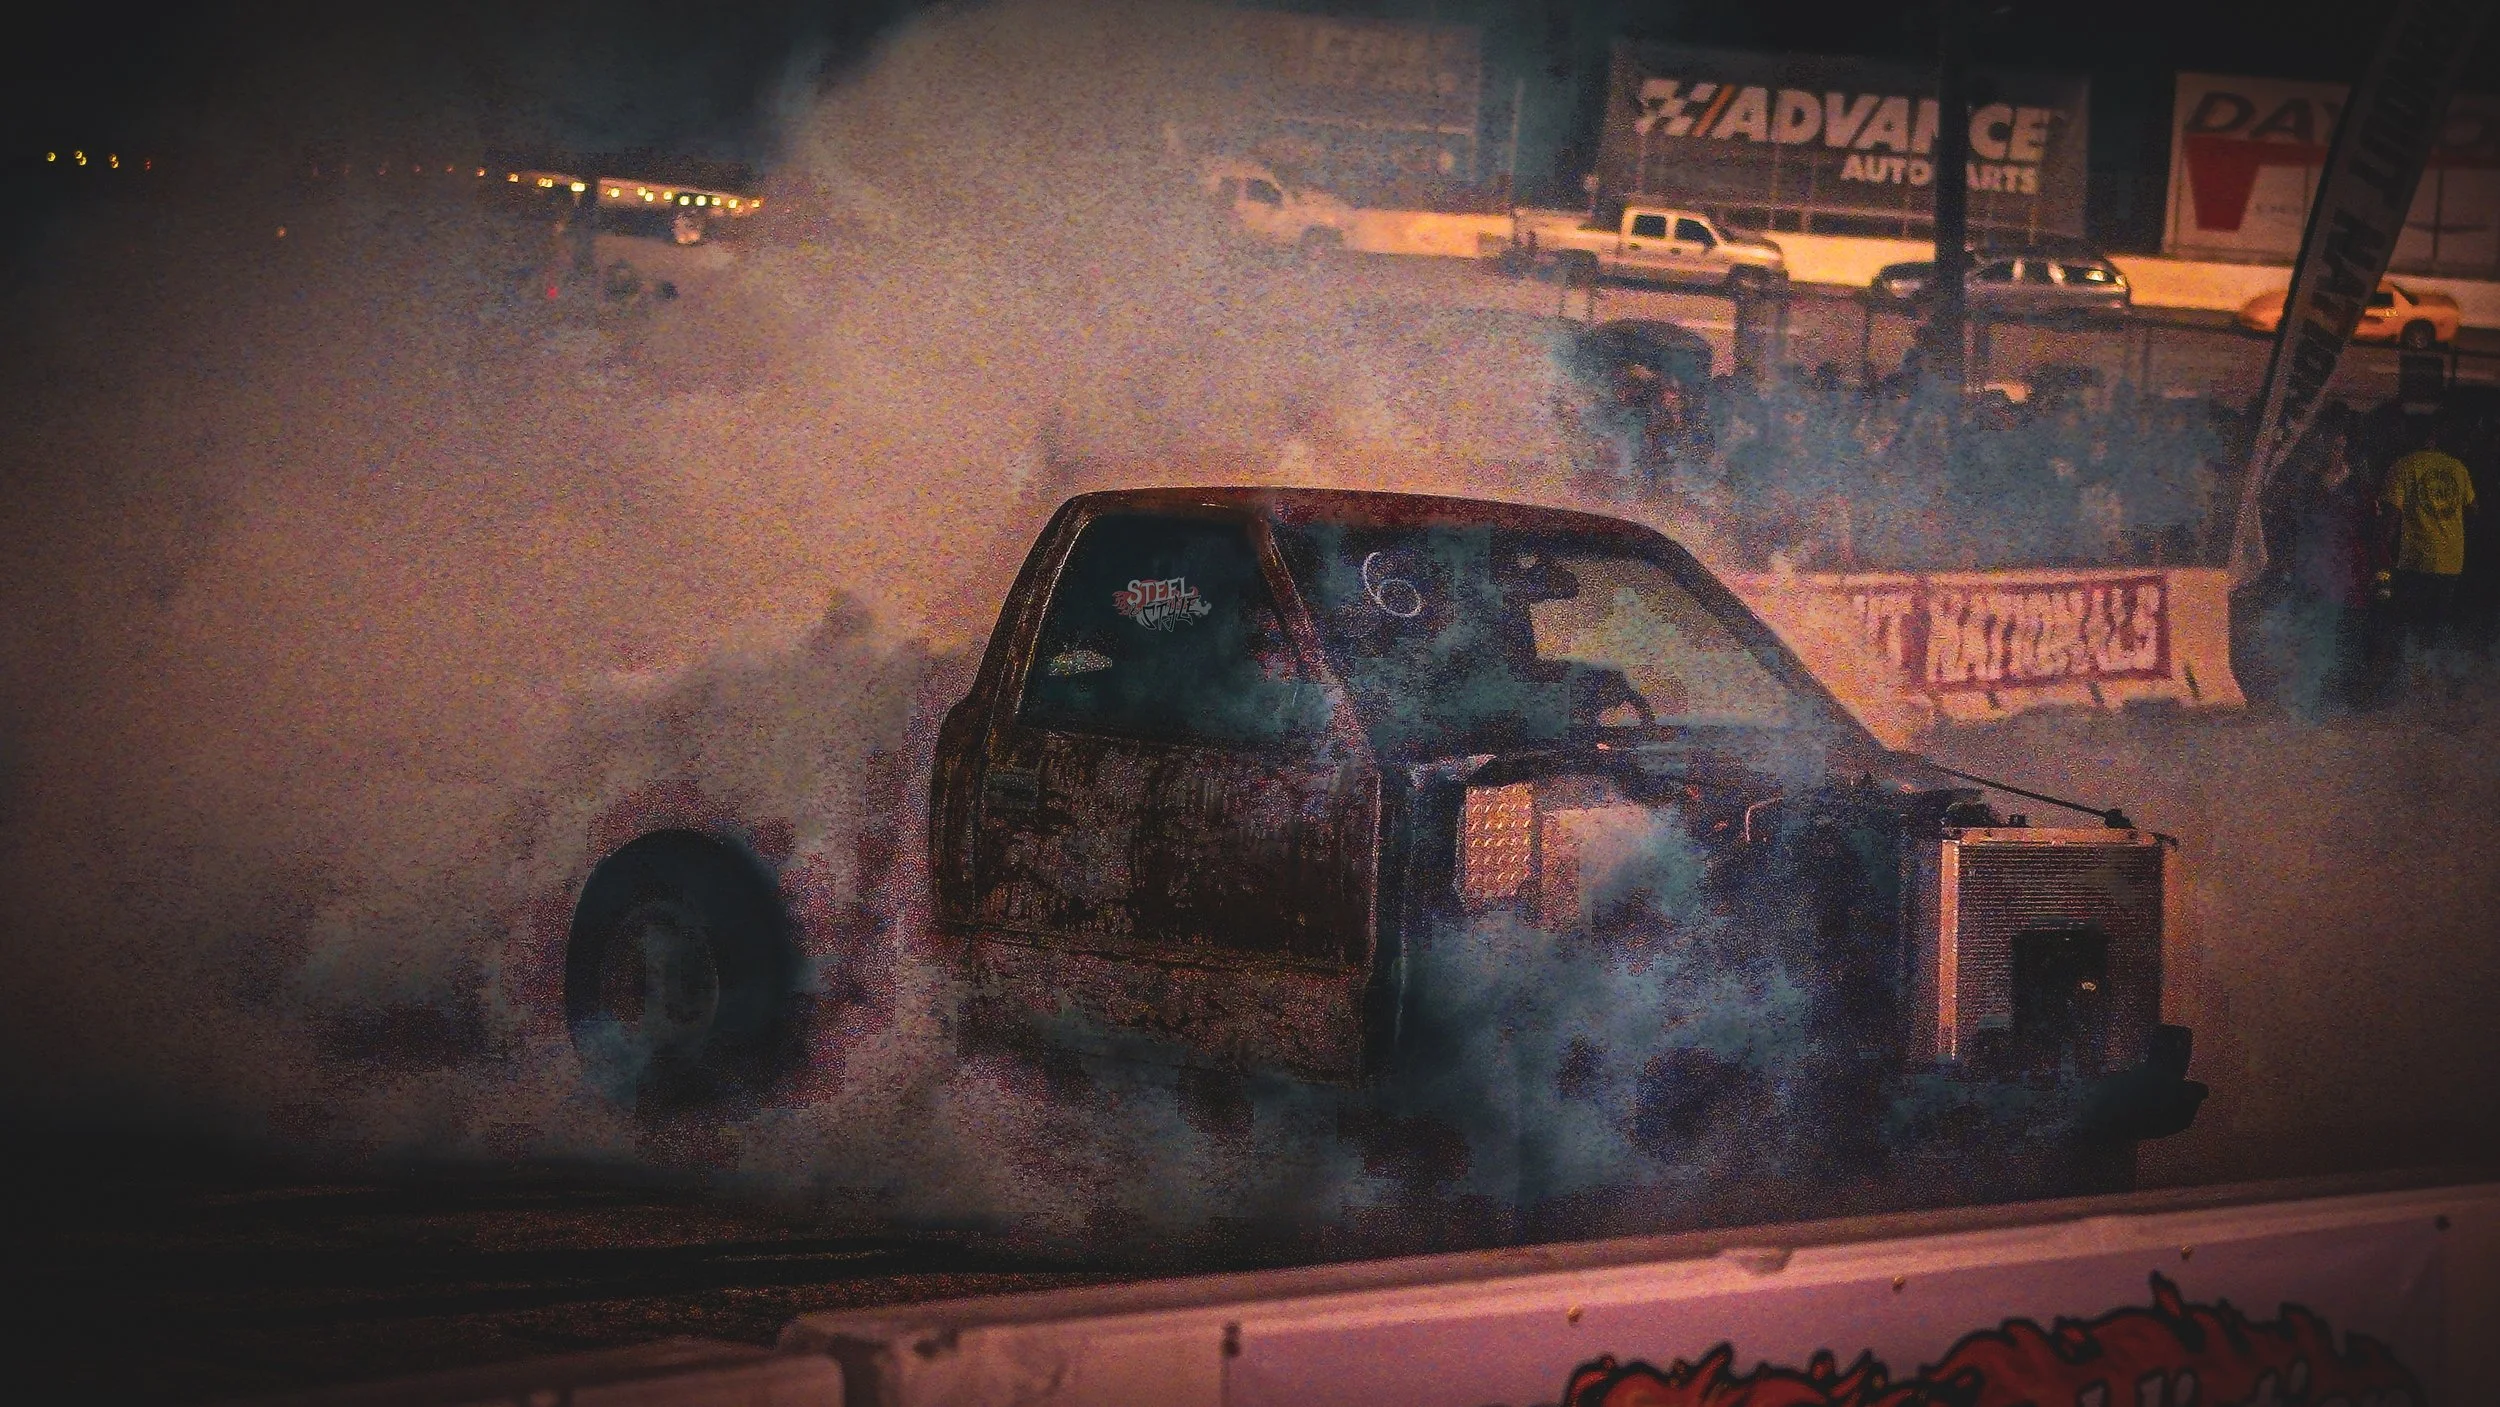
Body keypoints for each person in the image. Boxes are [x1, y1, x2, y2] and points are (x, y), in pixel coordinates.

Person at [2377, 417, 2477, 667]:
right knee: (2436, 623)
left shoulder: (2402, 466)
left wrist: (2381, 552)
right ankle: (2431, 675)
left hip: (2416, 559)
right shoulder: (2457, 467)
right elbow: (2474, 507)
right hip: (2452, 558)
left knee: (2408, 619)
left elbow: (2391, 516)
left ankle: (2406, 677)